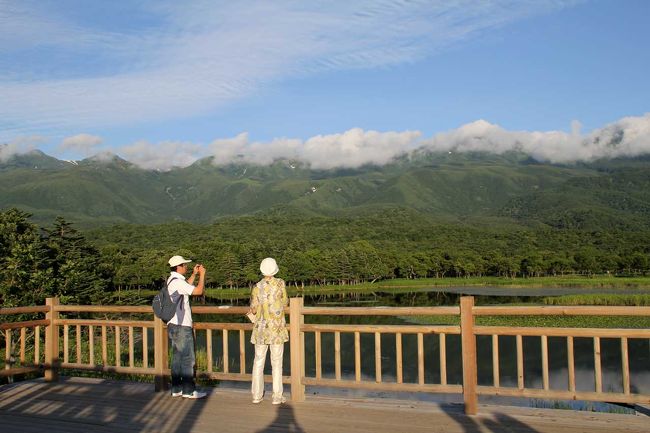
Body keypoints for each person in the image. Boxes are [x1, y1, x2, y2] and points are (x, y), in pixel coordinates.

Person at [248, 257, 289, 405]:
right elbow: (285, 302)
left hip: (260, 329)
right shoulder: (280, 283)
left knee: (258, 361)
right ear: (275, 269)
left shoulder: (256, 287)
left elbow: (253, 307)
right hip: (276, 329)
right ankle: (277, 396)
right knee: (276, 363)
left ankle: (256, 395)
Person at [166, 255, 207, 399]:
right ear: (179, 267)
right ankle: (189, 391)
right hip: (182, 326)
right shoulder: (177, 282)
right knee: (188, 358)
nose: (186, 267)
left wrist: (194, 275)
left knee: (177, 358)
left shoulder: (172, 280)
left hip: (173, 324)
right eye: (184, 265)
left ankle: (176, 389)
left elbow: (186, 288)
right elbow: (198, 291)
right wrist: (202, 275)